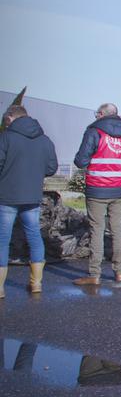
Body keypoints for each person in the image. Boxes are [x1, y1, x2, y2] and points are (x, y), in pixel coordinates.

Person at [72, 103, 121, 285]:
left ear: (102, 114)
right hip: (120, 189)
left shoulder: (94, 132)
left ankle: (94, 275)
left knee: (97, 230)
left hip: (97, 189)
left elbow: (80, 161)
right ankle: (119, 272)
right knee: (117, 229)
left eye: (97, 114)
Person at [0, 105, 58, 297]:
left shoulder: (6, 137)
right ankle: (36, 284)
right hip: (33, 195)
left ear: (10, 117)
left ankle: (0, 288)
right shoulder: (45, 140)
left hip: (7, 195)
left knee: (2, 239)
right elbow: (51, 168)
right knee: (34, 236)